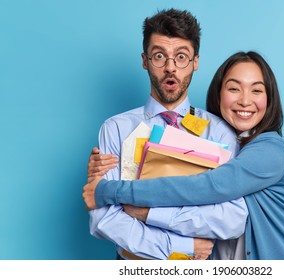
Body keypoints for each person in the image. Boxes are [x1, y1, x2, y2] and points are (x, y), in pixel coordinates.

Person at [84, 51, 284, 259]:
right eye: (234, 88)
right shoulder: (222, 140)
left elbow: (210, 187)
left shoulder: (270, 150)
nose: (245, 100)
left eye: (257, 90)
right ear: (219, 94)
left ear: (269, 99)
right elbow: (105, 222)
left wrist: (110, 192)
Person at [86, 8, 248, 260]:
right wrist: (184, 246)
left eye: (181, 56)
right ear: (145, 60)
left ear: (195, 62)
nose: (171, 67)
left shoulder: (219, 133)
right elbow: (104, 218)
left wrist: (146, 212)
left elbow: (232, 219)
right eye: (159, 56)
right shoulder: (116, 129)